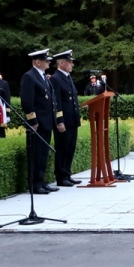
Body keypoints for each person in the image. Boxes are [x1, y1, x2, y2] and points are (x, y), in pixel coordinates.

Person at [20, 49, 60, 194]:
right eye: (46, 60)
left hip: (46, 122)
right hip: (37, 123)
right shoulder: (29, 77)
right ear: (37, 62)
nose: (49, 62)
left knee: (43, 154)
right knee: (36, 154)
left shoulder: (42, 76)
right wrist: (33, 121)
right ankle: (34, 184)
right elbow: (27, 101)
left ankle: (41, 181)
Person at [50, 50, 82, 187]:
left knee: (70, 148)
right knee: (62, 148)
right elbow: (56, 102)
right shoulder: (56, 78)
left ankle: (67, 173)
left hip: (72, 119)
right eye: (69, 62)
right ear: (61, 63)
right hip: (64, 121)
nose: (72, 65)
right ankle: (61, 176)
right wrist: (59, 120)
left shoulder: (67, 77)